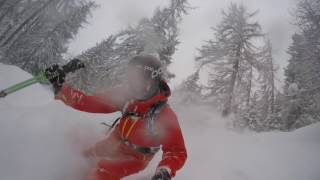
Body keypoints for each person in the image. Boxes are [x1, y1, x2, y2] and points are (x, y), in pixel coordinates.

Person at [45, 55, 187, 180]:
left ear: (154, 81)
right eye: (133, 82)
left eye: (142, 83)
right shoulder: (127, 94)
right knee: (86, 158)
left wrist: (164, 170)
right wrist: (61, 88)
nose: (136, 89)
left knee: (101, 172)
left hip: (136, 157)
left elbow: (177, 151)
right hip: (115, 142)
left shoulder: (164, 115)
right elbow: (91, 102)